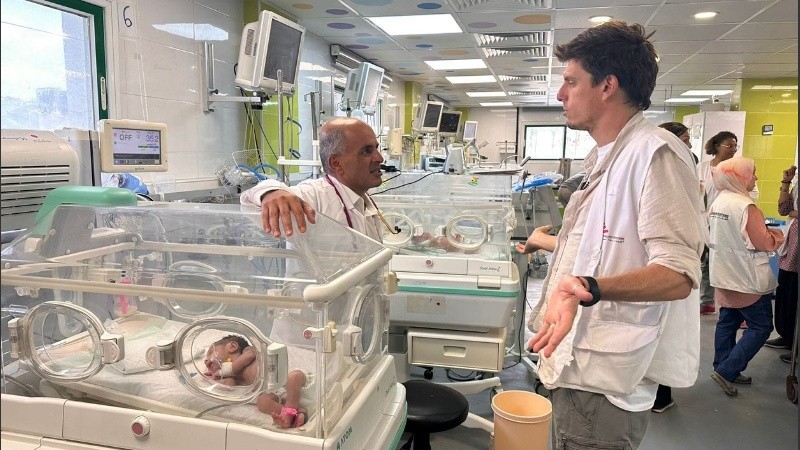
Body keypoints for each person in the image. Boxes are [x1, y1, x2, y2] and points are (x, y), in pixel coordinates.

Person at [525, 21, 706, 449]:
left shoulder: (655, 155)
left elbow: (679, 273)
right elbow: (599, 244)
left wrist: (588, 288)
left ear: (607, 85)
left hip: (604, 384)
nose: (560, 95)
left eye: (571, 82)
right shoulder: (608, 156)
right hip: (580, 362)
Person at [707, 157, 784, 396]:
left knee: (727, 321)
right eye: (753, 174)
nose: (756, 178)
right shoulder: (745, 206)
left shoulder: (719, 201)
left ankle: (722, 365)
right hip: (747, 278)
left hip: (724, 273)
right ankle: (727, 370)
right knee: (761, 327)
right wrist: (777, 235)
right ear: (740, 177)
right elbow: (763, 243)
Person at [240, 117, 386, 241]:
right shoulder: (315, 197)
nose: (380, 158)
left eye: (376, 148)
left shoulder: (361, 199)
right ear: (336, 164)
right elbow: (248, 202)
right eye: (366, 151)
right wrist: (271, 192)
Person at [647, 121, 699, 414]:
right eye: (685, 139)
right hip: (662, 268)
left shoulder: (674, 162)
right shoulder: (664, 158)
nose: (688, 144)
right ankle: (659, 393)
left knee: (664, 335)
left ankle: (660, 392)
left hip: (670, 267)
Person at [203, 335, 311, 428]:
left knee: (293, 377)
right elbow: (228, 385)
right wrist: (213, 379)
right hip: (276, 393)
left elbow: (250, 356)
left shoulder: (248, 351)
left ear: (233, 346)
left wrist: (227, 370)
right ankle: (293, 416)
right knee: (262, 402)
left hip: (289, 378)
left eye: (210, 353)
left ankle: (289, 412)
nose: (206, 360)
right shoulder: (235, 377)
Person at [696, 131, 739, 315]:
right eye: (729, 145)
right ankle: (707, 300)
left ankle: (735, 306)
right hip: (704, 220)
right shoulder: (702, 168)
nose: (733, 149)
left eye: (735, 146)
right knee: (704, 261)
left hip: (726, 221)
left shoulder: (736, 168)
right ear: (717, 146)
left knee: (726, 262)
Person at [764, 165, 798, 363]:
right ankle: (787, 336)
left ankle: (796, 343)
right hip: (792, 246)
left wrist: (794, 213)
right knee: (786, 293)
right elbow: (784, 209)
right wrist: (786, 182)